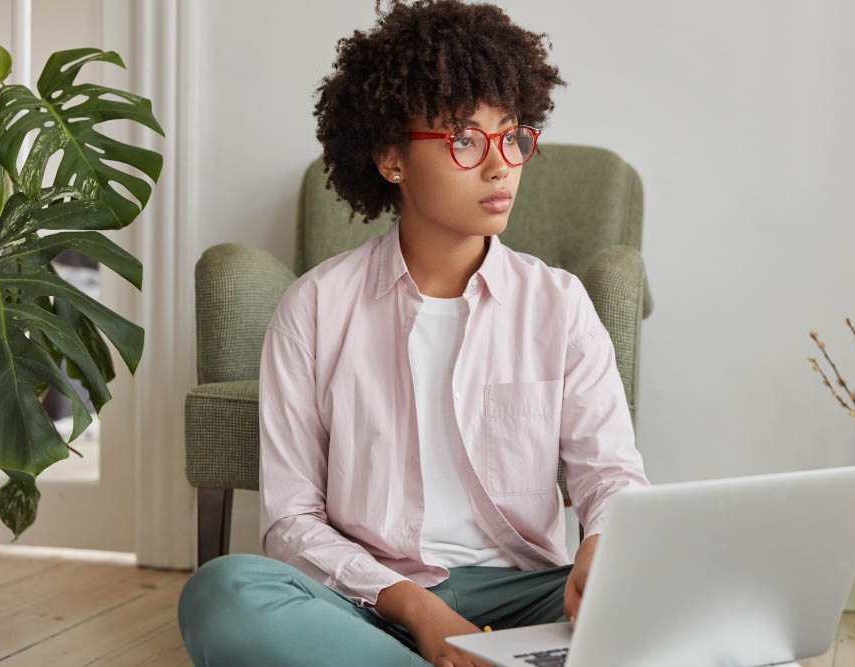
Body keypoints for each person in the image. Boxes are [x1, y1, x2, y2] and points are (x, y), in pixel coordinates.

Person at [177, 1, 651, 665]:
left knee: (687, 591)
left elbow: (613, 478)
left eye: (512, 136)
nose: (499, 166)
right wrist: (418, 608)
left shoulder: (559, 305)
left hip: (523, 596)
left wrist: (603, 544)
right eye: (463, 139)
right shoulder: (313, 310)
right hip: (364, 601)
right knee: (221, 593)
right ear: (392, 158)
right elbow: (289, 523)